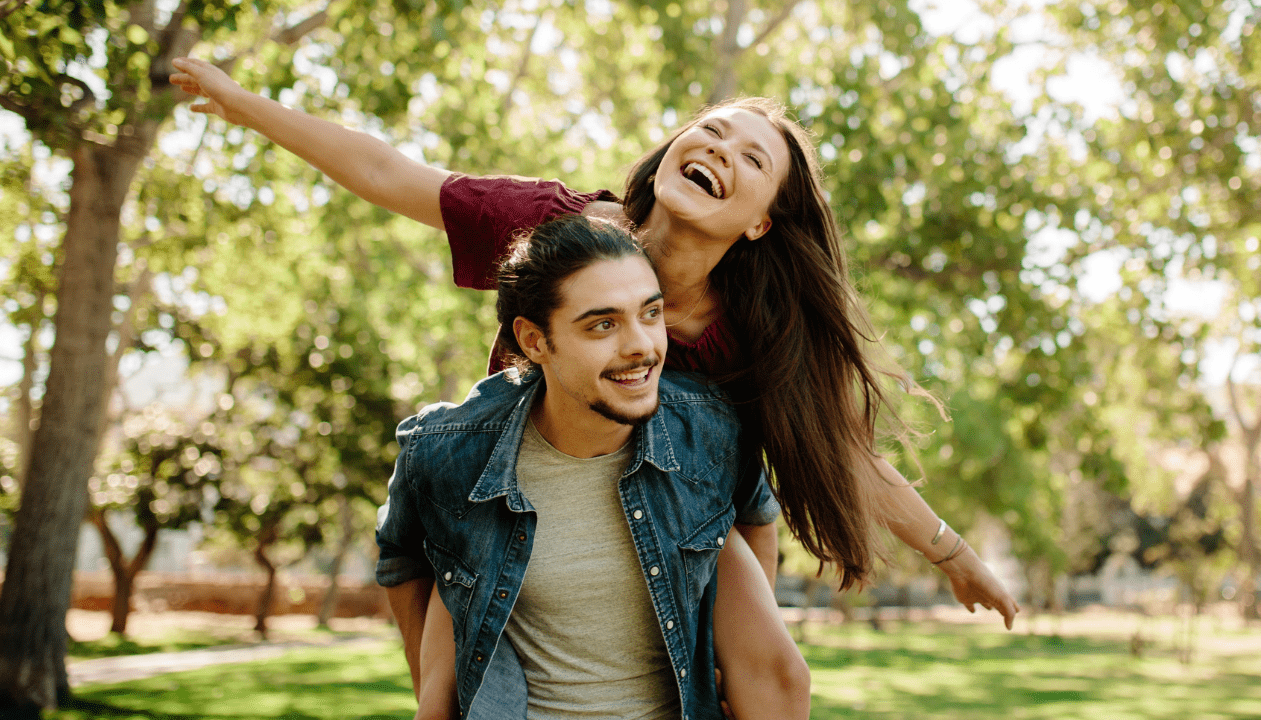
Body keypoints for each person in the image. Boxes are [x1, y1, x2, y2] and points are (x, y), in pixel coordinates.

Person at [170, 56, 1020, 714]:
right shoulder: (559, 230)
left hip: (680, 515)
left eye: (750, 158)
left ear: (761, 219)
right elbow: (397, 176)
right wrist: (242, 103)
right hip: (521, 500)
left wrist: (954, 554)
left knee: (768, 667)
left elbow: (836, 453)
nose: (719, 150)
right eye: (710, 132)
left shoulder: (749, 333)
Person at [375, 214, 791, 719]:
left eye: (651, 313)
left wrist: (737, 644)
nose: (641, 345)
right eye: (603, 324)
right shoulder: (444, 453)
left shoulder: (711, 429)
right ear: (534, 341)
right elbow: (402, 559)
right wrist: (438, 692)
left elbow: (754, 517)